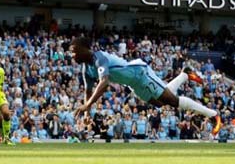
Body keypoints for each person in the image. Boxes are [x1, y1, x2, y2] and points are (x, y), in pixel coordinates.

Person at [70, 37, 222, 136]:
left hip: (140, 74)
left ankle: (213, 115)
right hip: (133, 84)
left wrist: (87, 105)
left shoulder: (99, 57)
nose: (72, 55)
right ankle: (184, 75)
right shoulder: (86, 69)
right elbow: (88, 91)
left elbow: (104, 83)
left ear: (85, 48)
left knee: (173, 101)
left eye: (73, 51)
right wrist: (87, 113)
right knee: (161, 103)